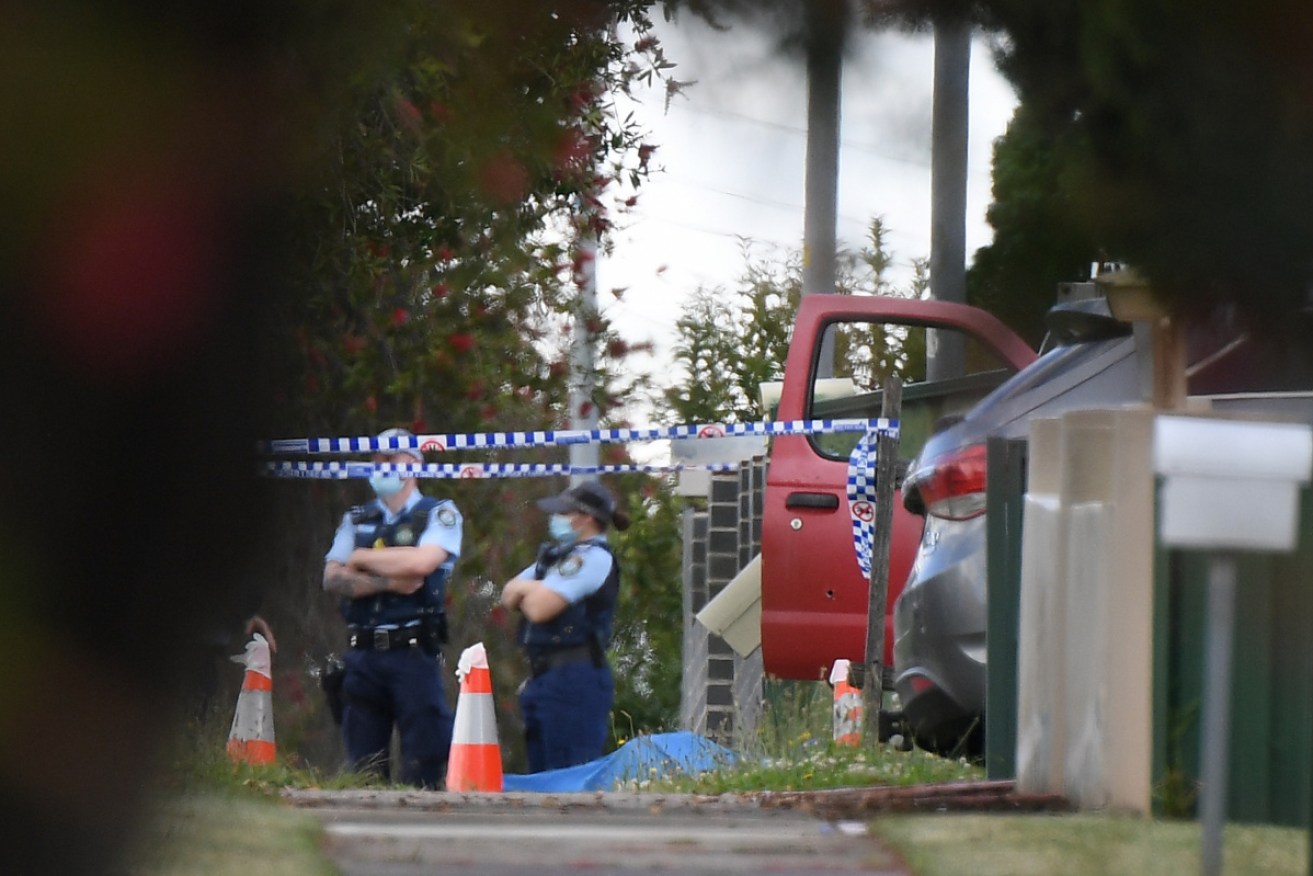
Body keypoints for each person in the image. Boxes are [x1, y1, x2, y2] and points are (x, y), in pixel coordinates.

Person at [322, 427, 462, 788]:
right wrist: (387, 580)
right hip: (364, 654)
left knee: (425, 763)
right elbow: (333, 578)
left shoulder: (440, 513)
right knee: (364, 769)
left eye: (391, 457)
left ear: (414, 464)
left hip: (413, 653)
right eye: (377, 457)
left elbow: (421, 565)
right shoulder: (356, 518)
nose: (381, 464)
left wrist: (362, 558)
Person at [500, 481, 630, 772]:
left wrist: (529, 590)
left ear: (584, 517)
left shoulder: (592, 558)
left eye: (564, 512)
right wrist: (532, 590)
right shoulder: (558, 557)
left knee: (568, 776)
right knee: (542, 778)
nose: (556, 519)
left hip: (574, 677)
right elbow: (508, 593)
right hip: (545, 676)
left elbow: (538, 608)